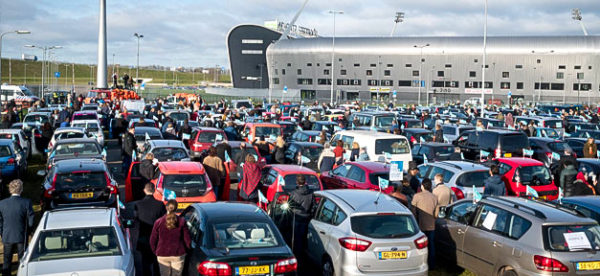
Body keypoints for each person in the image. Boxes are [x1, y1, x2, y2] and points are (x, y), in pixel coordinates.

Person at [0, 180, 34, 276]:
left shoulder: (2, 204)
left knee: (6, 260)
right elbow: (31, 221)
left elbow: (0, 222)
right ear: (21, 190)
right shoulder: (26, 202)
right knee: (22, 260)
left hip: (7, 235)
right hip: (21, 235)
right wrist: (28, 232)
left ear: (10, 190)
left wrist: (2, 233)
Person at [150, 200, 191, 276]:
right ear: (176, 208)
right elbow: (187, 240)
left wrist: (155, 251)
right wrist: (187, 250)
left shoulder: (158, 222)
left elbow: (153, 240)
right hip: (178, 253)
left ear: (166, 208)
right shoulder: (182, 221)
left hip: (162, 254)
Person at [134, 183, 166, 276]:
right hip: (157, 238)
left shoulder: (138, 204)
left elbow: (136, 220)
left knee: (145, 262)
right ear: (154, 190)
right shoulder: (160, 204)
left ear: (144, 190)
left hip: (144, 237)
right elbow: (163, 220)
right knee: (157, 261)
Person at [411, 178, 438, 269]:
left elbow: (413, 212)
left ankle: (421, 264)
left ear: (422, 186)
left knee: (420, 247)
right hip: (431, 225)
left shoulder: (416, 196)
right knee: (431, 245)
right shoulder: (434, 197)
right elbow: (436, 213)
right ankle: (432, 265)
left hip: (420, 225)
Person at [288, 175, 314, 257]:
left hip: (296, 217)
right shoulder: (311, 193)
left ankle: (296, 254)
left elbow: (290, 205)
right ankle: (302, 253)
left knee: (295, 237)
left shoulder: (293, 193)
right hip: (306, 217)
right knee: (303, 237)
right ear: (305, 181)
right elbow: (313, 206)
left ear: (297, 182)